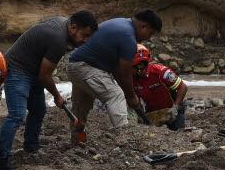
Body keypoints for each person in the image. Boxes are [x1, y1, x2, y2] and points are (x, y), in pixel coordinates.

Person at [0, 10, 97, 170]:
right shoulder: (57, 39)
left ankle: (31, 146)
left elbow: (43, 73)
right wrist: (57, 96)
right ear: (73, 27)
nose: (85, 41)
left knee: (38, 110)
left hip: (33, 69)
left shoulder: (64, 26)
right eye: (84, 35)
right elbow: (45, 76)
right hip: (17, 68)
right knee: (17, 115)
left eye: (89, 37)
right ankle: (1, 158)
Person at [67, 9, 163, 141]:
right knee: (115, 95)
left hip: (75, 66)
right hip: (85, 67)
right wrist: (130, 96)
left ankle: (76, 138)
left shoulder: (121, 23)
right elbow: (125, 73)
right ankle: (125, 137)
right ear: (143, 26)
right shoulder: (128, 37)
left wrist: (130, 95)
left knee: (81, 106)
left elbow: (117, 70)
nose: (148, 38)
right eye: (150, 33)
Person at [131, 43, 188, 129]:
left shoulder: (161, 72)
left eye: (143, 67)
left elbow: (183, 87)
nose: (140, 71)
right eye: (137, 68)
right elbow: (134, 100)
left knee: (178, 135)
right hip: (153, 112)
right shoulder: (132, 78)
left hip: (172, 109)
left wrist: (175, 107)